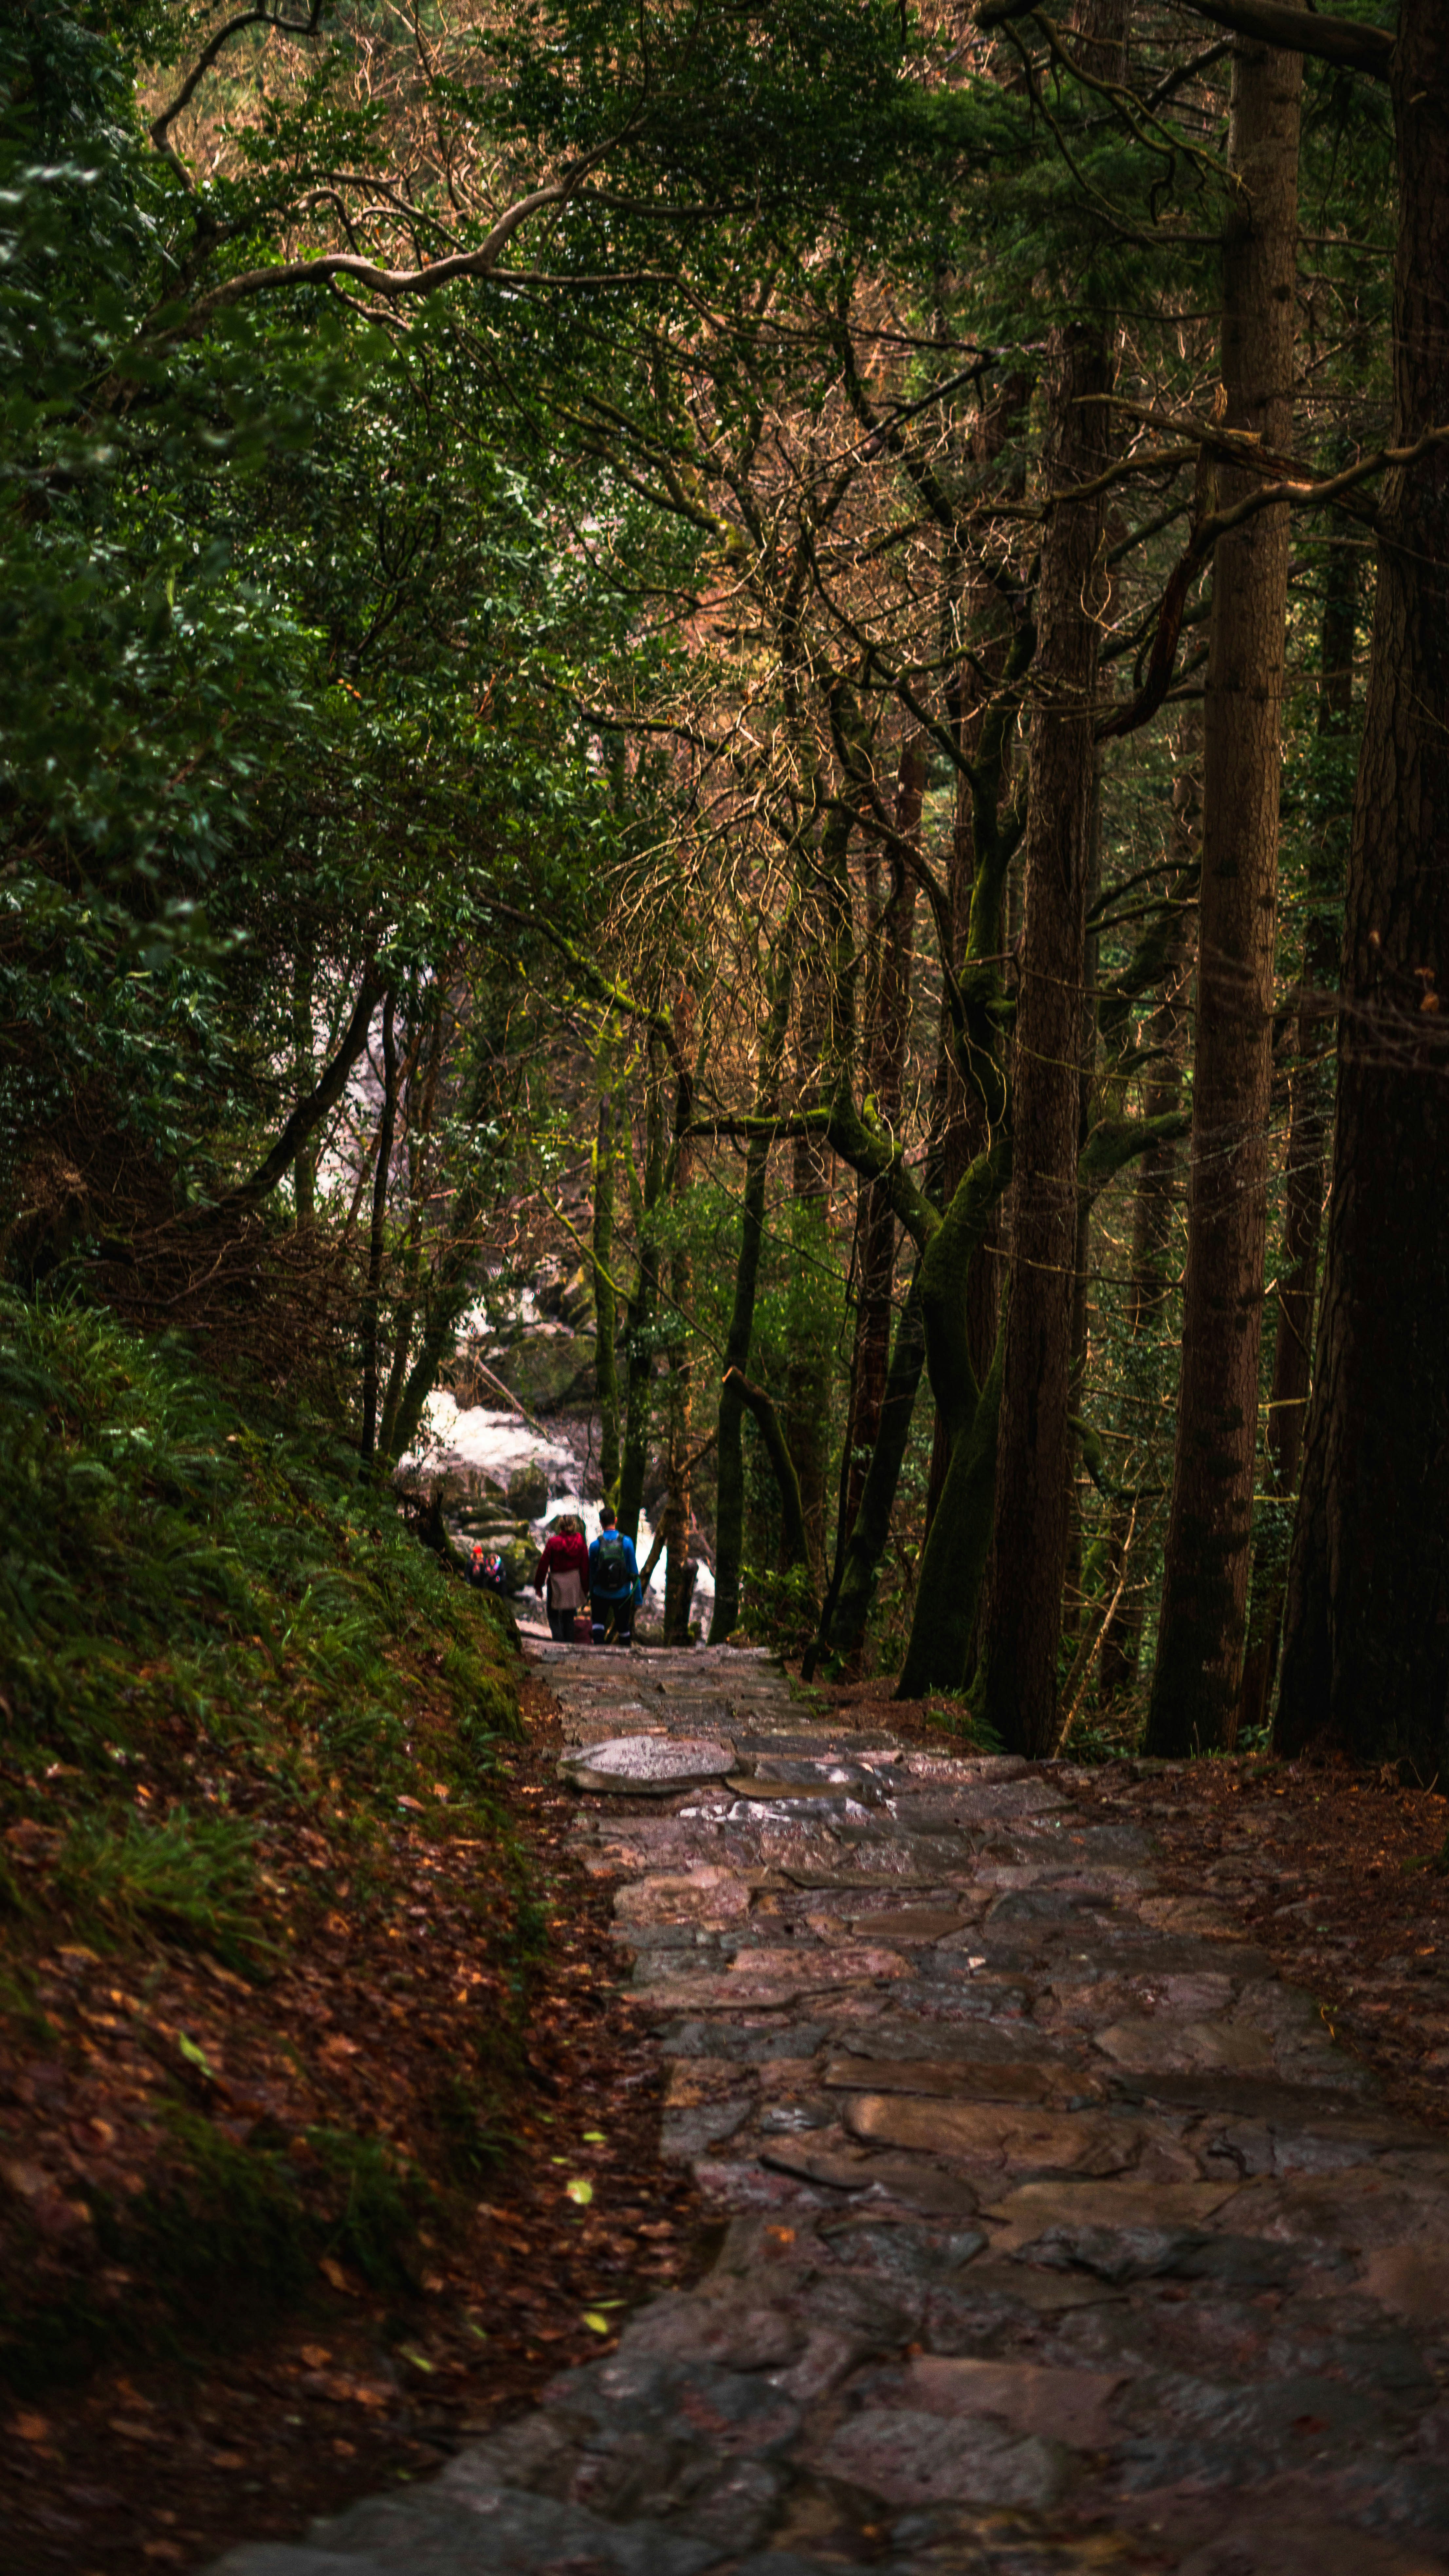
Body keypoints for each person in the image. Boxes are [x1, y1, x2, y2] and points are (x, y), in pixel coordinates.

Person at [589, 1505, 640, 1646]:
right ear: (616, 1521)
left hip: (600, 1593)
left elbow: (591, 1573)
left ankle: (599, 1657)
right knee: (624, 1628)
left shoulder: (595, 1546)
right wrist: (638, 1599)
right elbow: (634, 1573)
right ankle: (625, 1660)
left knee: (598, 1625)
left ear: (601, 1523)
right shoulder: (627, 1543)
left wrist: (589, 1593)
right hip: (622, 1594)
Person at [532, 1513, 589, 1641]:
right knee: (569, 1617)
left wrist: (538, 1586)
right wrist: (585, 1589)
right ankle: (569, 1645)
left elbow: (543, 1566)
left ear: (561, 1527)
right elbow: (585, 1566)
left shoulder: (553, 1543)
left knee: (553, 1615)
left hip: (556, 1583)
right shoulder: (580, 1541)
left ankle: (558, 1643)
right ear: (574, 1526)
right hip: (573, 1584)